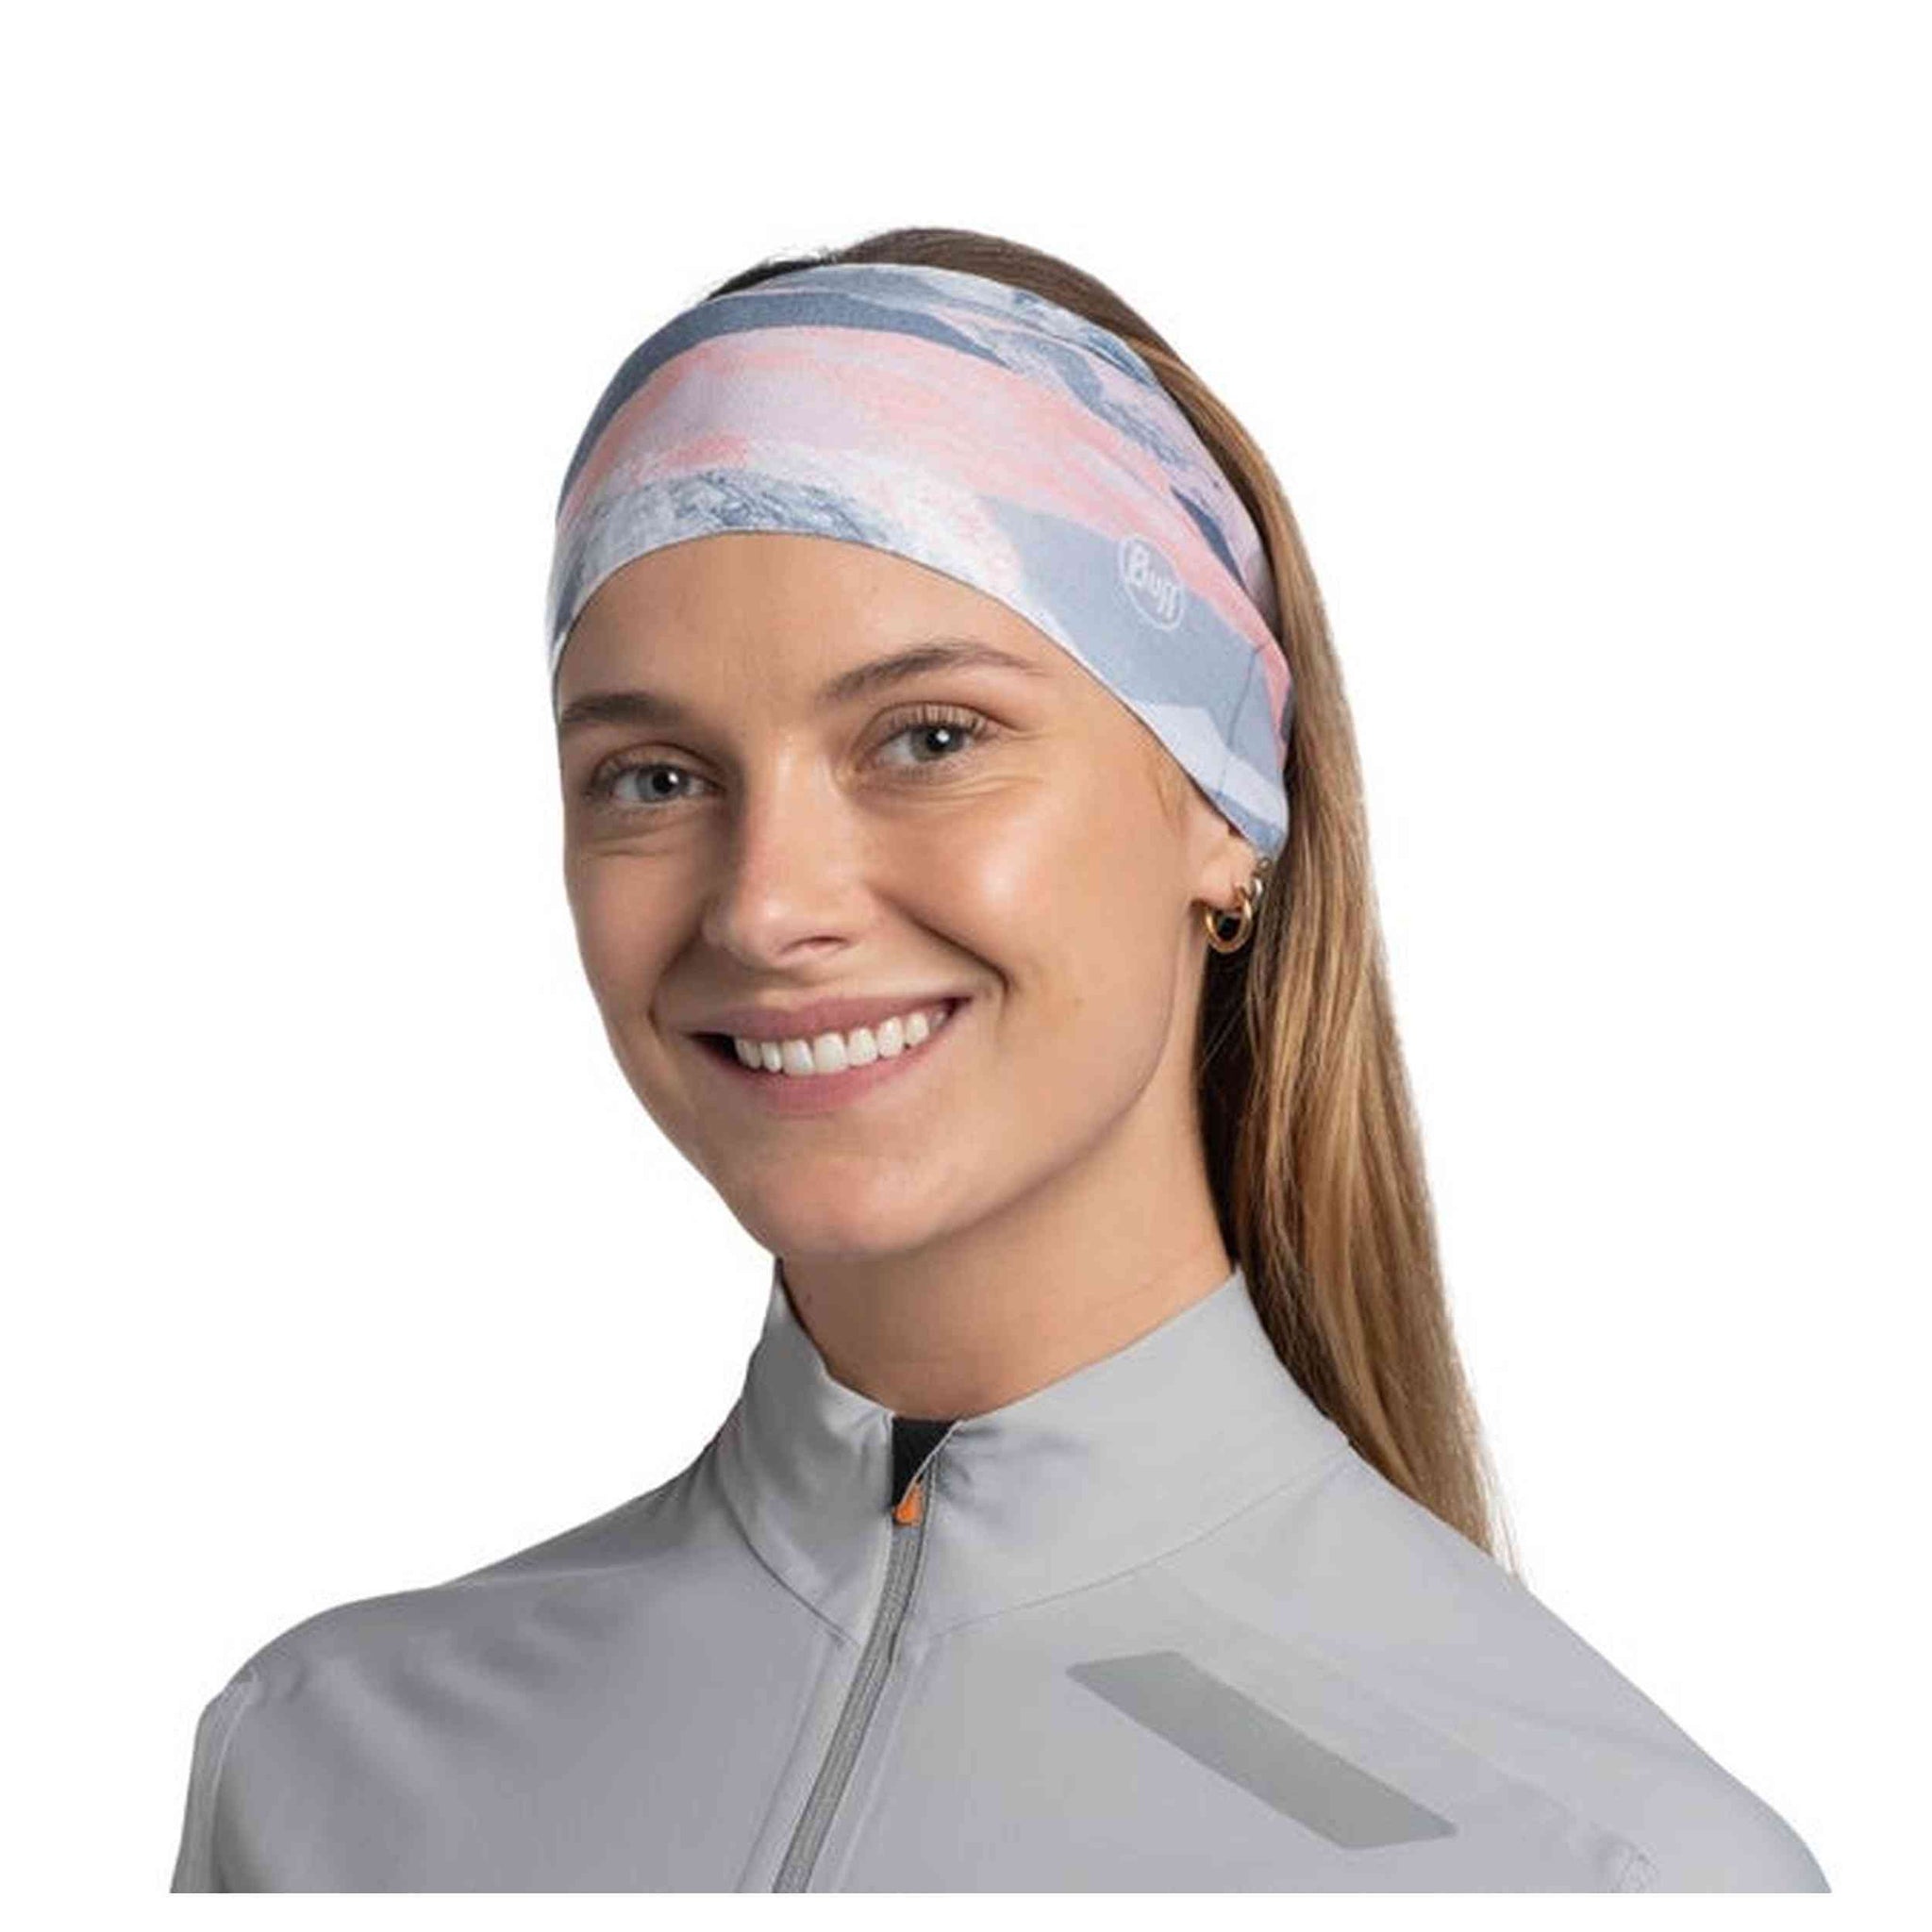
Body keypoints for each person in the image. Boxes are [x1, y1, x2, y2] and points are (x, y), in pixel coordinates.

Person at [168, 227, 1828, 1892]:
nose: (766, 907)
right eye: (654, 776)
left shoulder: (1600, 1870)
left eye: (930, 738)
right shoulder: (325, 1767)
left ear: (1225, 809)